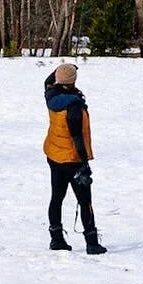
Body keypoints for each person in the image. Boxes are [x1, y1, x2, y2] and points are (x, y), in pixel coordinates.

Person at [43, 61, 106, 254]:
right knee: (85, 200)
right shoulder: (74, 106)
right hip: (72, 159)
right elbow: (77, 137)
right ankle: (92, 242)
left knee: (57, 198)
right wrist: (84, 163)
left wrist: (66, 68)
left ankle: (56, 239)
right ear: (73, 81)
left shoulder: (51, 95)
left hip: (54, 155)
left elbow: (47, 80)